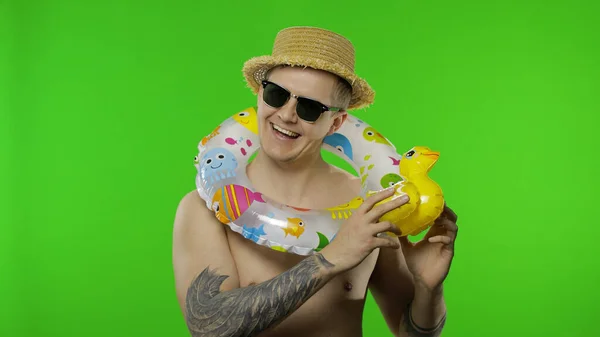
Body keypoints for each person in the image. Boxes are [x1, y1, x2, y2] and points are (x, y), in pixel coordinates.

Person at [172, 26, 459, 337]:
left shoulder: (372, 206)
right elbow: (208, 326)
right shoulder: (204, 209)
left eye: (310, 108)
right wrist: (329, 260)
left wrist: (429, 289)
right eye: (276, 94)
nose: (286, 115)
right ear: (259, 95)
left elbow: (411, 333)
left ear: (335, 122)